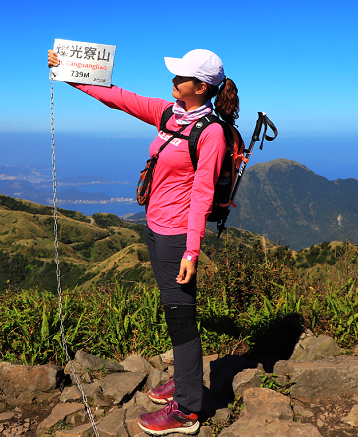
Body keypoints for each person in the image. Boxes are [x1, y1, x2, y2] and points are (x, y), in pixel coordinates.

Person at [47, 47, 240, 436]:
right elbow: (118, 97)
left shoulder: (211, 134)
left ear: (201, 87)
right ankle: (186, 378)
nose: (173, 81)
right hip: (155, 227)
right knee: (174, 310)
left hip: (177, 237)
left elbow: (202, 195)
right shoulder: (170, 114)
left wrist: (192, 251)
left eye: (181, 77)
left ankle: (187, 410)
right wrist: (68, 72)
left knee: (180, 317)